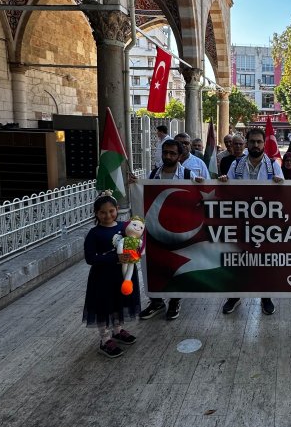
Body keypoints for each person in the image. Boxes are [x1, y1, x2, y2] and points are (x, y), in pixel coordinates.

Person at [138, 138, 203, 322]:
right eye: (165, 152)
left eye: (172, 153)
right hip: (155, 229)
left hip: (179, 231)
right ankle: (156, 302)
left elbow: (200, 197)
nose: (168, 156)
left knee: (176, 266)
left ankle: (175, 301)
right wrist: (136, 184)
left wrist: (202, 184)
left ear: (180, 156)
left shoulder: (188, 175)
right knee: (155, 266)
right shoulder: (153, 175)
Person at [221, 127, 283, 316]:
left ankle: (266, 297)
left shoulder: (273, 165)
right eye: (252, 141)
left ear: (264, 144)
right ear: (247, 144)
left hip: (265, 224)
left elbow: (284, 195)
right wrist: (224, 181)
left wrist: (280, 186)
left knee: (264, 262)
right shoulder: (236, 165)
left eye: (259, 142)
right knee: (238, 260)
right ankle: (234, 296)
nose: (256, 145)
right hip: (241, 221)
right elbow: (227, 191)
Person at [83, 193, 140, 358]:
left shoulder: (124, 227)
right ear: (96, 213)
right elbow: (90, 258)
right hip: (103, 278)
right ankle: (105, 339)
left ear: (117, 209)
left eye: (111, 211)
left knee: (118, 302)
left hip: (122, 276)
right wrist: (115, 258)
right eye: (103, 212)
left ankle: (118, 330)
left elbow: (134, 242)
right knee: (104, 306)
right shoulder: (94, 233)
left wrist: (135, 252)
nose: (108, 215)